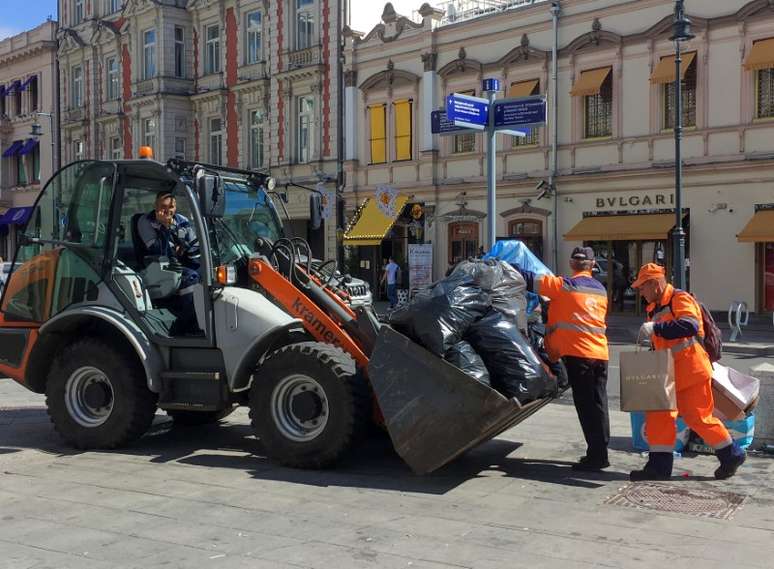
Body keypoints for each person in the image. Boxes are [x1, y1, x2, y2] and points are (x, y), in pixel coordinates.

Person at [629, 263, 746, 481]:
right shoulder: (656, 306)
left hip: (690, 370)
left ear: (655, 284)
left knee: (698, 417)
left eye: (642, 287)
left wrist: (656, 328)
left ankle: (731, 454)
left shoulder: (679, 299)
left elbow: (690, 325)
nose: (640, 292)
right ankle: (658, 467)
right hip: (669, 372)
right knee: (659, 417)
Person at [517, 247, 610, 471]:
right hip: (600, 354)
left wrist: (505, 264)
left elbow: (529, 278)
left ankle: (596, 458)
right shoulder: (600, 290)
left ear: (572, 264)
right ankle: (600, 452)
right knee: (599, 404)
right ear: (592, 264)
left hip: (579, 355)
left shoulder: (564, 285)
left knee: (586, 406)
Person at [136, 191, 202, 335]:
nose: (167, 210)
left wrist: (185, 247)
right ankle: (186, 325)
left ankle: (205, 320)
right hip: (156, 266)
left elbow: (193, 245)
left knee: (210, 273)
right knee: (191, 277)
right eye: (163, 206)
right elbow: (158, 251)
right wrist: (165, 228)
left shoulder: (181, 220)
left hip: (180, 263)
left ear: (175, 206)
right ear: (155, 206)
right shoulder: (146, 221)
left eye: (171, 206)